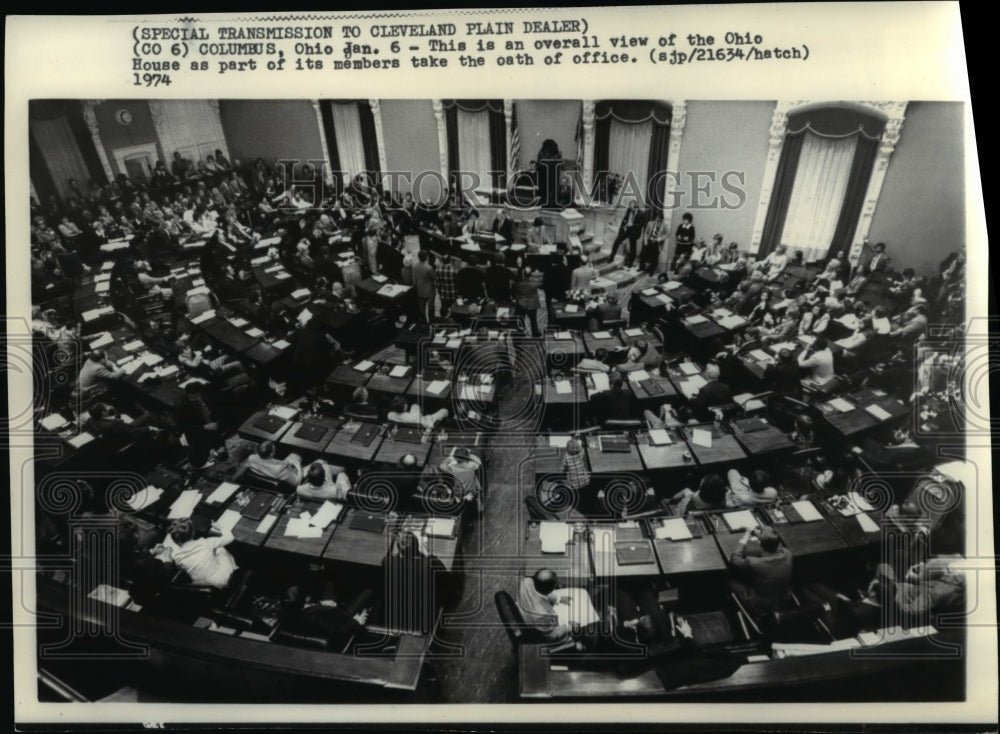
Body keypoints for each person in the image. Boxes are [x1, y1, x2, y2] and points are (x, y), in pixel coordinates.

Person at [380, 530, 450, 634]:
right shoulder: (429, 563)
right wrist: (427, 554)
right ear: (418, 548)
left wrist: (400, 550)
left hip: (398, 614)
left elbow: (388, 557)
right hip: (423, 615)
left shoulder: (388, 562)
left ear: (399, 549)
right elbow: (444, 571)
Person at [279, 581, 372, 651]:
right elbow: (338, 633)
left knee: (329, 583)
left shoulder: (287, 614)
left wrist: (320, 605)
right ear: (307, 599)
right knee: (369, 591)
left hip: (332, 613)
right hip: (345, 618)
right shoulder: (313, 617)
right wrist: (356, 621)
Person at [517, 569, 592, 646]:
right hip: (530, 627)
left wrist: (558, 599)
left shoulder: (527, 581)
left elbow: (537, 592)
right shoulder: (544, 616)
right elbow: (551, 637)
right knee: (563, 638)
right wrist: (569, 626)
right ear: (552, 589)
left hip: (521, 609)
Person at [728, 525, 793, 614]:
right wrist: (762, 536)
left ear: (759, 543)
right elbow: (775, 545)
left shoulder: (755, 563)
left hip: (760, 603)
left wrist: (746, 536)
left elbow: (735, 559)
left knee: (730, 580)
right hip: (783, 599)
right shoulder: (787, 554)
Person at [157, 518, 238, 589]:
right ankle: (235, 568)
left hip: (200, 585)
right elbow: (230, 537)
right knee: (220, 549)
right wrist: (220, 527)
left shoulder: (176, 556)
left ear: (174, 541)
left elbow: (183, 569)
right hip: (222, 581)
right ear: (193, 533)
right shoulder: (205, 542)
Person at [233, 439, 303, 487]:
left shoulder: (252, 458)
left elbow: (240, 471)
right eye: (273, 448)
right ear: (271, 454)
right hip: (293, 474)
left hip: (272, 471)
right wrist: (299, 467)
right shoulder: (281, 470)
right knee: (298, 452)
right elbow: (297, 483)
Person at [609, 201, 646, 268]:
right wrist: (623, 227)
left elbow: (641, 225)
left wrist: (632, 225)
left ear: (636, 206)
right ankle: (611, 257)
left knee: (633, 247)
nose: (631, 209)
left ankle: (630, 263)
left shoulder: (642, 213)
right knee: (617, 242)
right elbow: (625, 219)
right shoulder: (629, 210)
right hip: (626, 230)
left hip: (634, 232)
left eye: (632, 208)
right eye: (630, 207)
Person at [512, 264, 544, 337]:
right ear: (530, 274)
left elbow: (513, 290)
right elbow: (541, 284)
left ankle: (520, 333)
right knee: (533, 320)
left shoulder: (517, 284)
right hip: (532, 304)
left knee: (521, 320)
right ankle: (535, 332)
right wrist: (536, 275)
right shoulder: (535, 282)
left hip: (521, 304)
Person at [411, 250, 436, 322]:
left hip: (420, 290)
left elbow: (414, 280)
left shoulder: (415, 267)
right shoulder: (429, 268)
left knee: (422, 307)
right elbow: (434, 277)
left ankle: (423, 321)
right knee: (430, 307)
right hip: (430, 290)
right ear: (426, 257)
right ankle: (431, 321)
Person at [434, 252, 458, 317]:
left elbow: (437, 283)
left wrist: (440, 292)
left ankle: (443, 320)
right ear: (450, 260)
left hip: (443, 295)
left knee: (444, 310)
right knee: (452, 311)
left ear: (442, 261)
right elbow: (457, 284)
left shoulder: (438, 270)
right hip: (452, 295)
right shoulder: (454, 271)